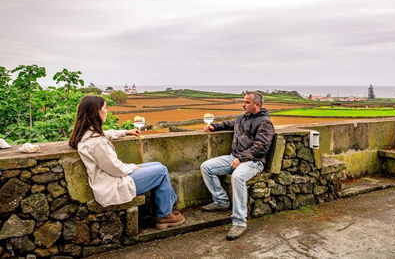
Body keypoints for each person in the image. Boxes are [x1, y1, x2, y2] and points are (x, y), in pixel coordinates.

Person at [69, 95, 185, 230]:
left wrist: (126, 132)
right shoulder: (96, 142)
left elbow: (108, 134)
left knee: (157, 165)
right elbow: (115, 168)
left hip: (111, 179)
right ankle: (164, 215)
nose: (107, 111)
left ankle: (166, 210)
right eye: (105, 108)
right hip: (113, 184)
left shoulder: (88, 134)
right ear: (96, 112)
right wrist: (133, 167)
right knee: (162, 170)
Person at [200, 91, 275, 240]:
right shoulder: (242, 118)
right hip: (235, 157)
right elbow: (229, 124)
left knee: (237, 177)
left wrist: (241, 159)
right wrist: (214, 127)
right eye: (244, 101)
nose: (243, 104)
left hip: (254, 161)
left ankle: (240, 222)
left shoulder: (264, 122)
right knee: (206, 167)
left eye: (247, 102)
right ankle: (221, 202)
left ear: (257, 105)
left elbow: (261, 147)